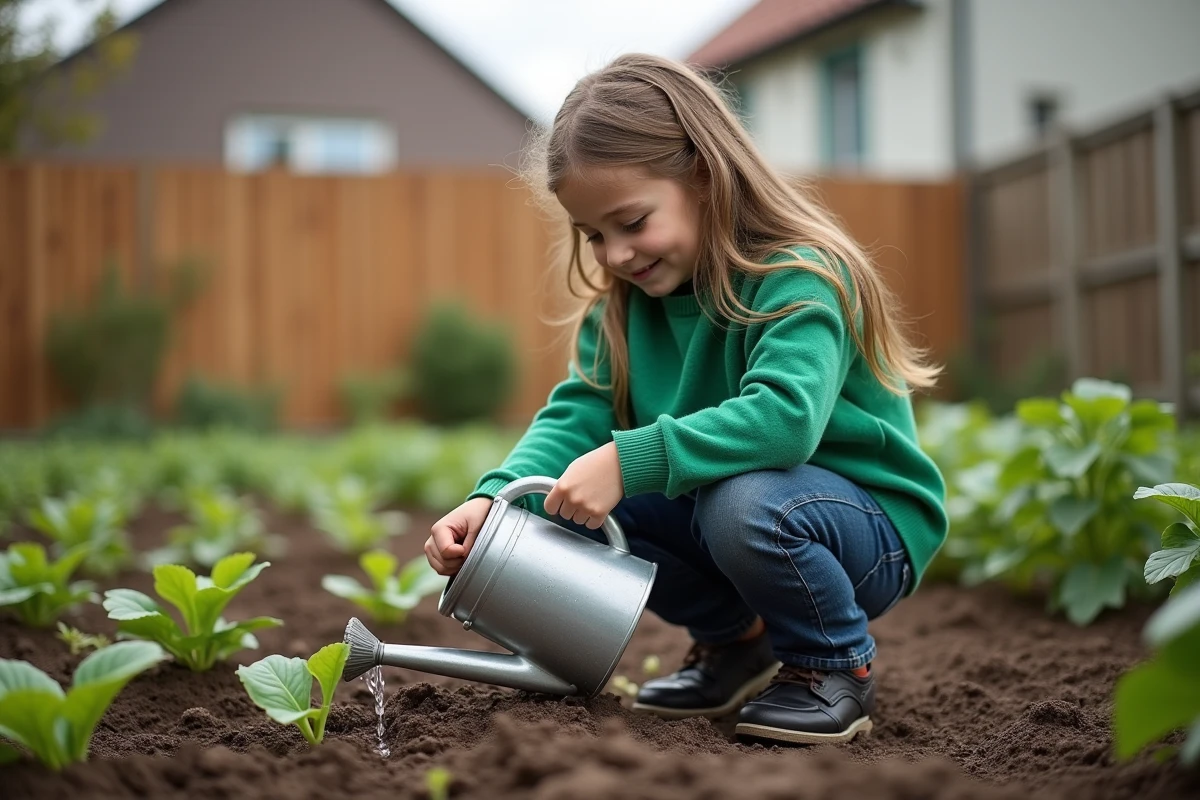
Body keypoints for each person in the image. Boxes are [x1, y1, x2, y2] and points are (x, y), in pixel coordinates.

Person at [424, 53, 947, 746]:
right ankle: (739, 643)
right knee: (558, 510)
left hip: (863, 528)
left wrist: (627, 459)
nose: (614, 255)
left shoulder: (797, 277)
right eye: (594, 235)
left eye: (632, 222)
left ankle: (832, 666)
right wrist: (496, 499)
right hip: (745, 514)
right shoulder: (622, 307)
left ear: (703, 175)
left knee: (743, 503)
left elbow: (784, 422)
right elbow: (580, 412)